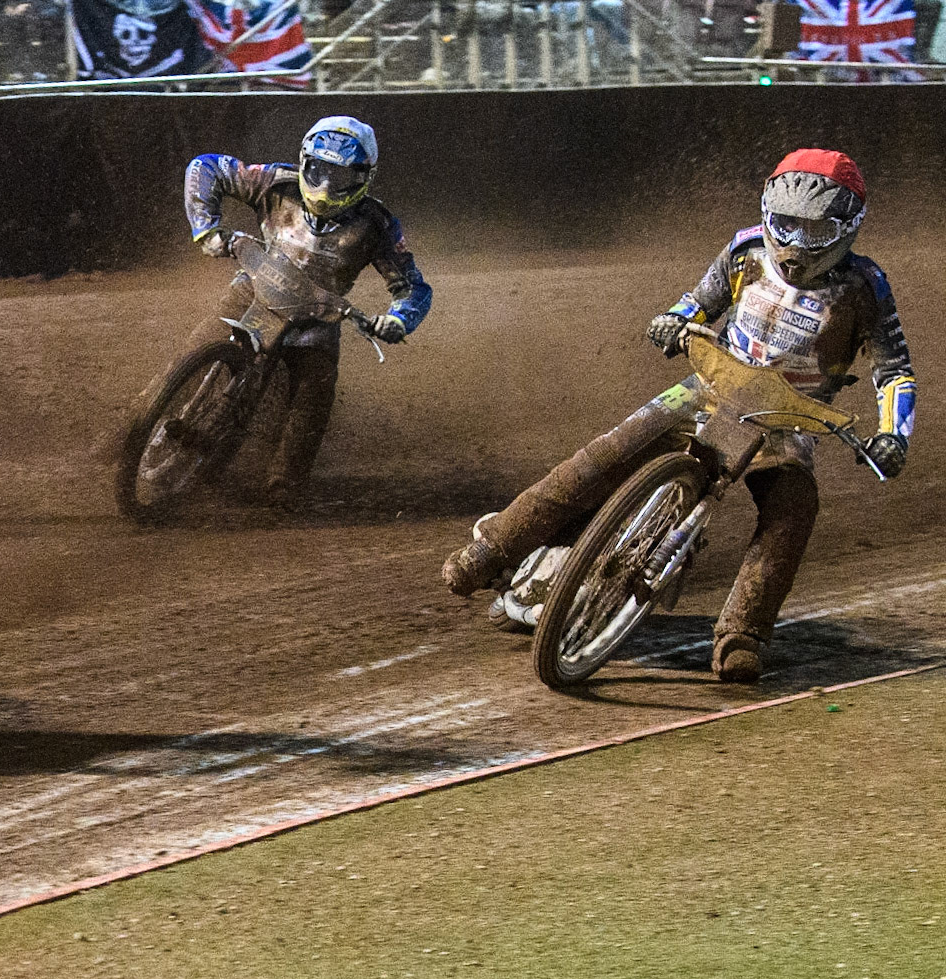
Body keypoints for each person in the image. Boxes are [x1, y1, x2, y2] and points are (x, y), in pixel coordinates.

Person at [442, 149, 916, 683]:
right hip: (710, 386)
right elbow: (700, 301)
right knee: (604, 456)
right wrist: (674, 318)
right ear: (768, 214)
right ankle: (493, 548)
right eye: (786, 225)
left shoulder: (866, 287)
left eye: (815, 231)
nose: (795, 245)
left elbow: (894, 370)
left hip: (787, 423)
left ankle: (742, 633)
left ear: (847, 228)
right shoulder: (745, 249)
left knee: (792, 512)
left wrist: (893, 435)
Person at [181, 115, 432, 509]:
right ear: (303, 162)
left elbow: (413, 287)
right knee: (189, 354)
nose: (326, 187)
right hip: (254, 289)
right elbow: (205, 167)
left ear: (364, 178)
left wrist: (397, 319)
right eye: (318, 171)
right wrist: (207, 229)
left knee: (312, 398)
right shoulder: (274, 182)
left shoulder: (378, 225)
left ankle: (284, 486)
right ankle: (132, 426)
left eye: (340, 177)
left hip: (317, 318)